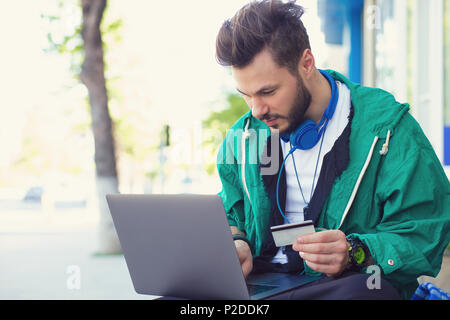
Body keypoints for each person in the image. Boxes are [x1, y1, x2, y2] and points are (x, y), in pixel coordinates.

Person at [215, 0, 450, 300]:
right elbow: (230, 212)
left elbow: (425, 228)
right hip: (261, 284)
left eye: (268, 92)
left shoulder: (387, 128)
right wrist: (238, 243)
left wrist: (357, 252)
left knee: (360, 292)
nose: (257, 110)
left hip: (345, 287)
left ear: (307, 63)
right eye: (246, 95)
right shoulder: (243, 135)